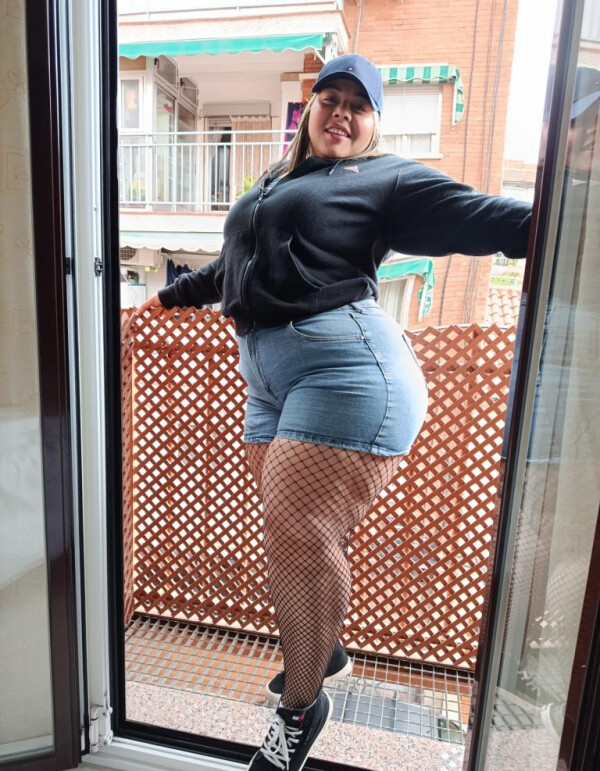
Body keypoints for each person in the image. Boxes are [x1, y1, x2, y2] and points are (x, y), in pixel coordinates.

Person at [135, 54, 532, 771]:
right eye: (331, 99)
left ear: (374, 124)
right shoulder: (275, 181)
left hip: (346, 369)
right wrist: (164, 299)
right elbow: (234, 268)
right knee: (293, 538)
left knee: (298, 538)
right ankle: (322, 646)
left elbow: (485, 217)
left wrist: (564, 222)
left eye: (359, 105)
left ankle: (301, 709)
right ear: (309, 110)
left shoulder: (385, 179)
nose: (342, 113)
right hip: (268, 379)